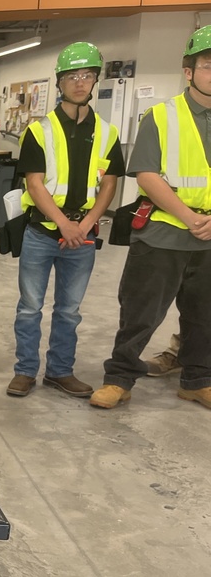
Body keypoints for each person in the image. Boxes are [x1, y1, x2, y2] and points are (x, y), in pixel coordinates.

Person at [91, 27, 211, 410]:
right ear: (189, 71)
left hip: (208, 238)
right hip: (163, 234)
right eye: (209, 65)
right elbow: (146, 174)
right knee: (140, 313)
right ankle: (120, 379)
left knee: (204, 317)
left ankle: (196, 379)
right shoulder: (161, 116)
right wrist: (190, 217)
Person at [6, 42, 124, 400]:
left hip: (82, 236)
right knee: (29, 307)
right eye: (72, 76)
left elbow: (110, 183)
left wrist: (86, 223)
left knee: (69, 311)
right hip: (42, 232)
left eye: (87, 75)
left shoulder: (107, 133)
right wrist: (63, 224)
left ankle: (60, 371)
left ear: (95, 80)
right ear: (59, 82)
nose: (80, 82)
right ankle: (25, 371)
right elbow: (34, 182)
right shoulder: (38, 131)